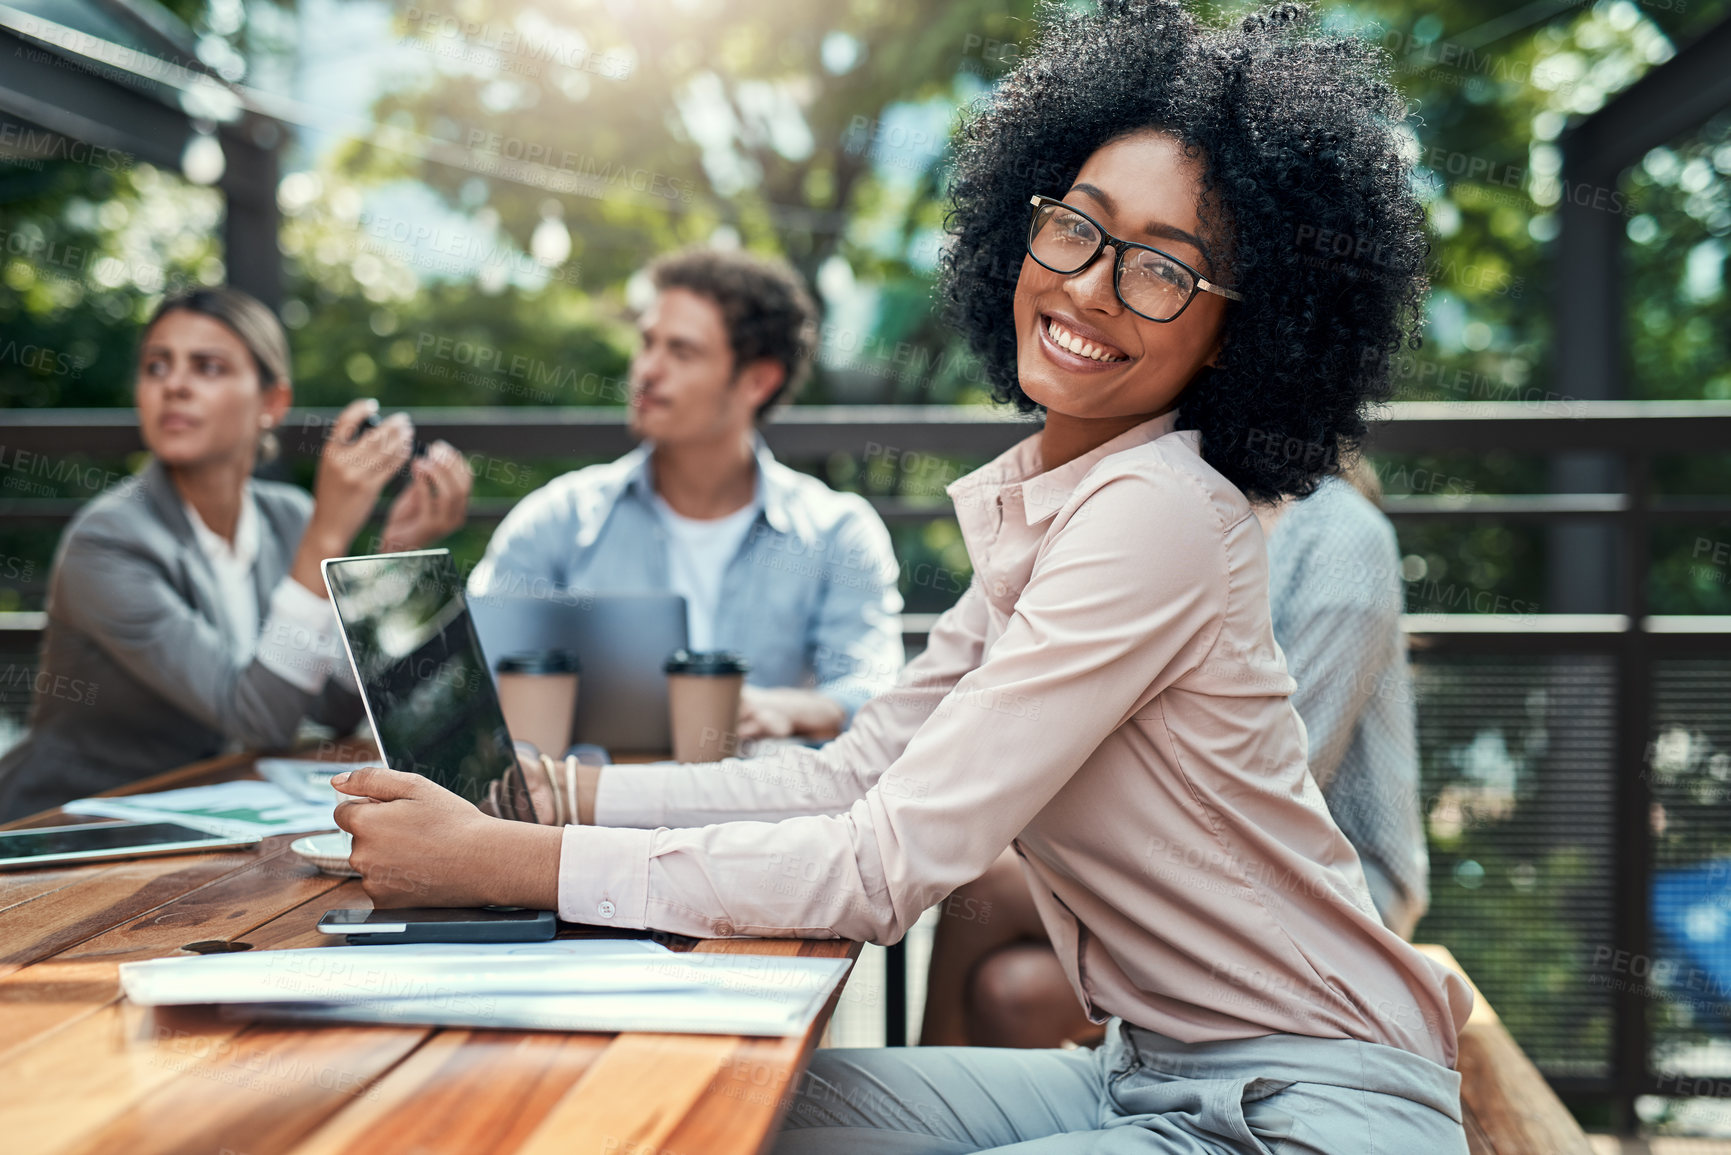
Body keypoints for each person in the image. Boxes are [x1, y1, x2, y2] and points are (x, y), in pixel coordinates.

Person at [330, 3, 1476, 1150]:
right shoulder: (1075, 501)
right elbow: (852, 777)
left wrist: (510, 860)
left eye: (1164, 271)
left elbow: (883, 868)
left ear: (1239, 333)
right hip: (1146, 1068)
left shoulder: (1158, 513)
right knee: (749, 1121)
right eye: (1077, 228)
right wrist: (561, 798)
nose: (1089, 288)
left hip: (1303, 1111)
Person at [919, 458, 1432, 1048]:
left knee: (1003, 951)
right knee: (1003, 969)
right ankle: (920, 1124)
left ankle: (908, 1127)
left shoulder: (1342, 535)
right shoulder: (1176, 502)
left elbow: (1285, 786)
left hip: (1323, 895)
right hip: (1180, 852)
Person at [0, 287, 473, 821]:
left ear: (272, 403)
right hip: (65, 833)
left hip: (206, 821)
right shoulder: (107, 542)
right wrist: (326, 538)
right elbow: (255, 721)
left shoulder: (288, 517)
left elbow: (335, 708)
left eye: (208, 367)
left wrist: (394, 554)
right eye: (157, 366)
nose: (174, 385)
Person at [467, 248, 902, 744]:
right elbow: (473, 676)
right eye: (647, 343)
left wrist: (780, 709)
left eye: (681, 352)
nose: (647, 370)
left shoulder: (837, 532)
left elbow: (874, 691)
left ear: (757, 381)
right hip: (591, 811)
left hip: (755, 814)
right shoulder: (559, 520)